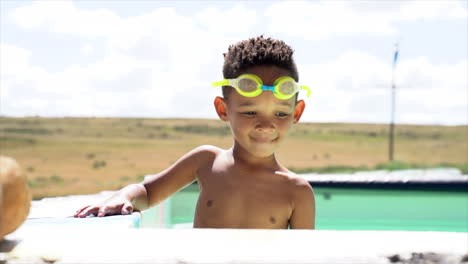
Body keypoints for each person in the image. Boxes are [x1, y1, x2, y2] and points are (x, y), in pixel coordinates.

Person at [74, 36, 316, 229]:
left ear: (297, 113)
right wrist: (123, 196)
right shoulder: (206, 161)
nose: (266, 125)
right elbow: (148, 193)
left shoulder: (297, 191)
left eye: (281, 114)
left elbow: (303, 257)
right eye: (250, 113)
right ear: (223, 109)